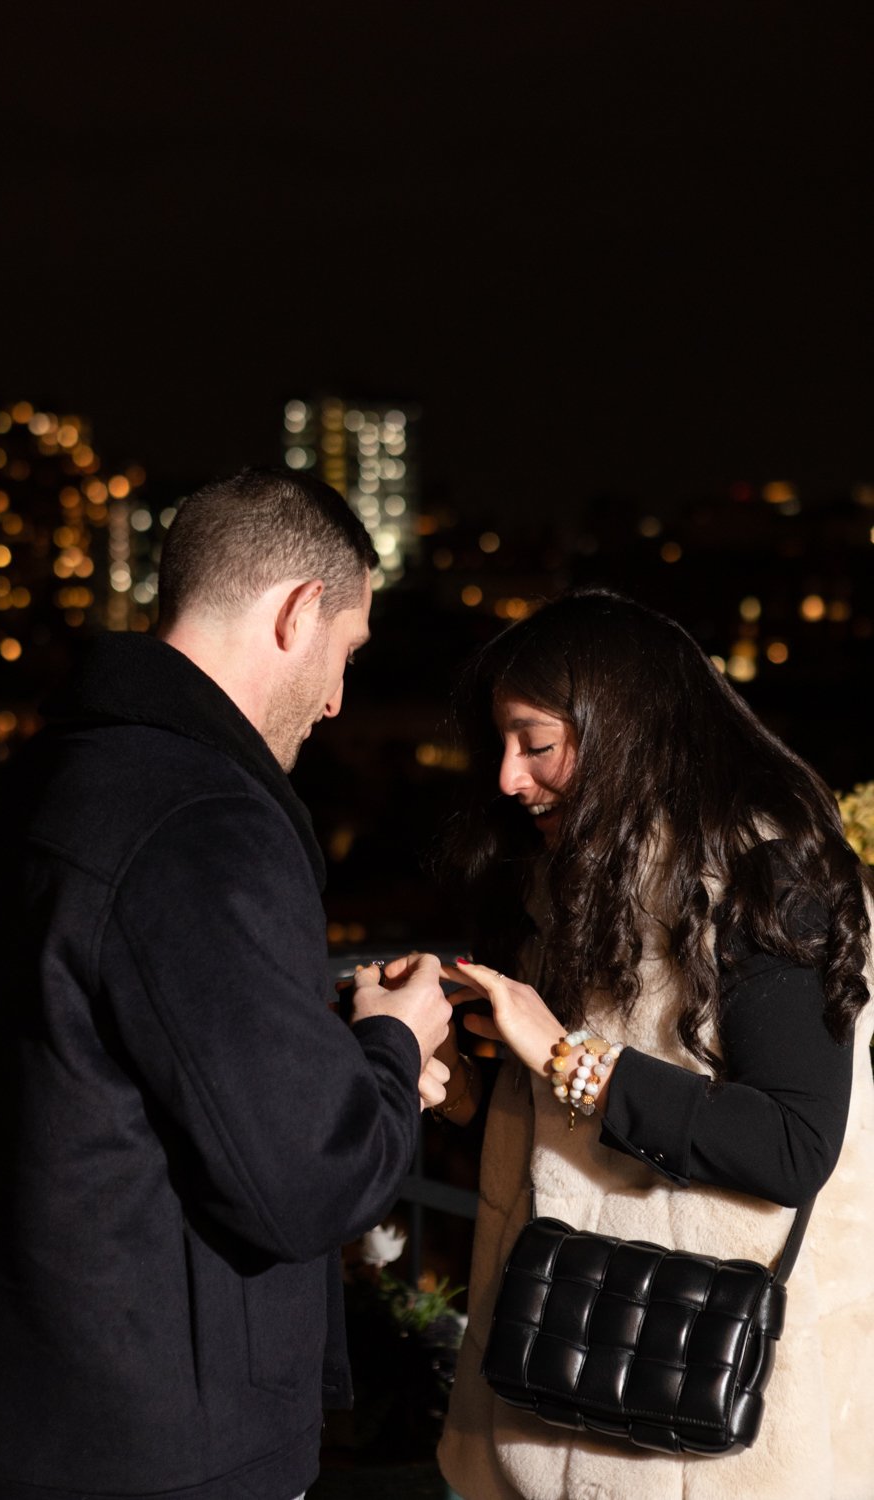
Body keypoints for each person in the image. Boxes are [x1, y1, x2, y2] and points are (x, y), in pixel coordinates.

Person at [0, 467, 452, 1500]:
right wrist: (394, 1045)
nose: (339, 699)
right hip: (165, 1451)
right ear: (298, 612)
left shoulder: (31, 787)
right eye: (346, 651)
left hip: (24, 1420)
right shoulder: (203, 822)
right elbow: (303, 1184)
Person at [430, 588, 874, 1500]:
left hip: (712, 1439)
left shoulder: (764, 874)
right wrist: (475, 1091)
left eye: (538, 743)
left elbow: (792, 1146)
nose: (509, 778)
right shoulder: (570, 883)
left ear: (626, 728)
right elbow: (576, 1155)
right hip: (544, 1395)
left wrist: (565, 1057)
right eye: (502, 747)